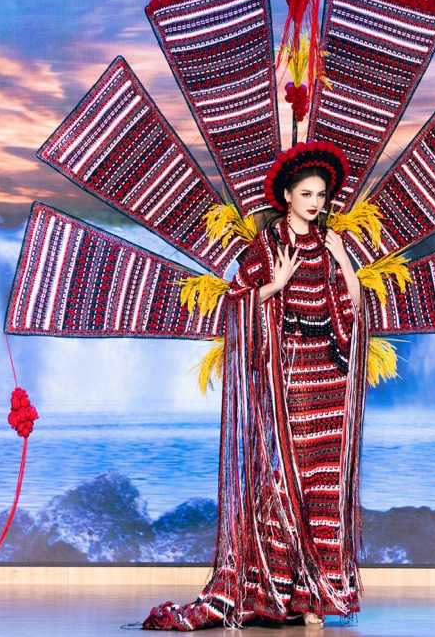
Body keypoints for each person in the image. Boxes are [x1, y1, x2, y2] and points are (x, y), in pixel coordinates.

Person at [142, 140, 369, 631]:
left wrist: (344, 259)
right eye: (306, 193)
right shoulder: (266, 247)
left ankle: (318, 598)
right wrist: (276, 283)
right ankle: (276, 590)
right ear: (287, 196)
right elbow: (237, 305)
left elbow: (354, 306)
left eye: (321, 195)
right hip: (285, 372)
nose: (315, 203)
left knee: (324, 484)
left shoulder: (331, 244)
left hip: (327, 372)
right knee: (284, 479)